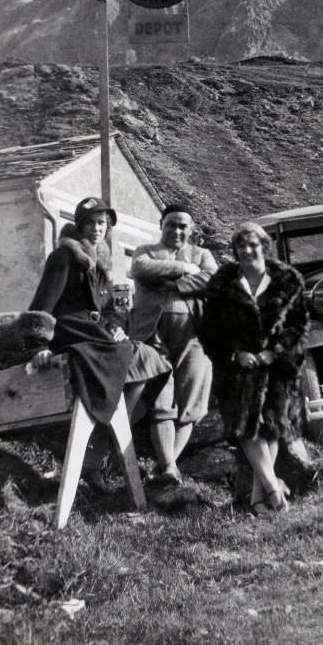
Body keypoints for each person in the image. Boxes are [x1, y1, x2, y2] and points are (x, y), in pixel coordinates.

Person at [28, 196, 170, 490]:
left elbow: (110, 312)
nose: (96, 228)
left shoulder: (103, 264)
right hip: (71, 330)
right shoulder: (64, 257)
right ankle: (97, 450)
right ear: (80, 226)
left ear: (108, 227)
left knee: (147, 358)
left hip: (97, 333)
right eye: (90, 223)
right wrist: (39, 345)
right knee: (128, 354)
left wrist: (117, 327)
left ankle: (103, 441)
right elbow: (42, 305)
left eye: (102, 223)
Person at [199, 221, 309, 514]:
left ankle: (259, 498)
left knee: (272, 426)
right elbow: (209, 330)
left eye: (253, 245)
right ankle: (274, 489)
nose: (247, 251)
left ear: (264, 246)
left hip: (278, 366)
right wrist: (236, 355)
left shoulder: (288, 279)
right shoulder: (222, 284)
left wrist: (274, 353)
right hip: (238, 368)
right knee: (246, 427)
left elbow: (299, 325)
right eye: (241, 246)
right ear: (235, 251)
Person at [130, 203, 218, 486]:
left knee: (191, 398)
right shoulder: (145, 251)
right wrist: (184, 269)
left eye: (183, 225)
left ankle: (168, 465)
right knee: (160, 399)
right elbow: (142, 269)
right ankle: (168, 466)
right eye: (171, 224)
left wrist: (172, 284)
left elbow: (213, 281)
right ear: (161, 225)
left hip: (194, 335)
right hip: (152, 334)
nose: (177, 230)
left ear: (191, 230)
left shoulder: (203, 254)